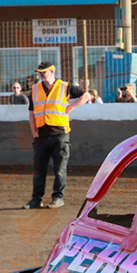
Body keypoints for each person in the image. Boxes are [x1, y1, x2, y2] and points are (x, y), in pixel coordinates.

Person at [22, 61, 90, 209]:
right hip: (41, 135)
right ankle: (36, 199)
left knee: (60, 169)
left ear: (52, 71)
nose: (41, 75)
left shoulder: (65, 87)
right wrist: (34, 131)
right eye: (39, 72)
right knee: (39, 169)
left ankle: (58, 198)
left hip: (60, 134)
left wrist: (71, 106)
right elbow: (31, 113)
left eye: (44, 72)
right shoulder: (35, 89)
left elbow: (86, 96)